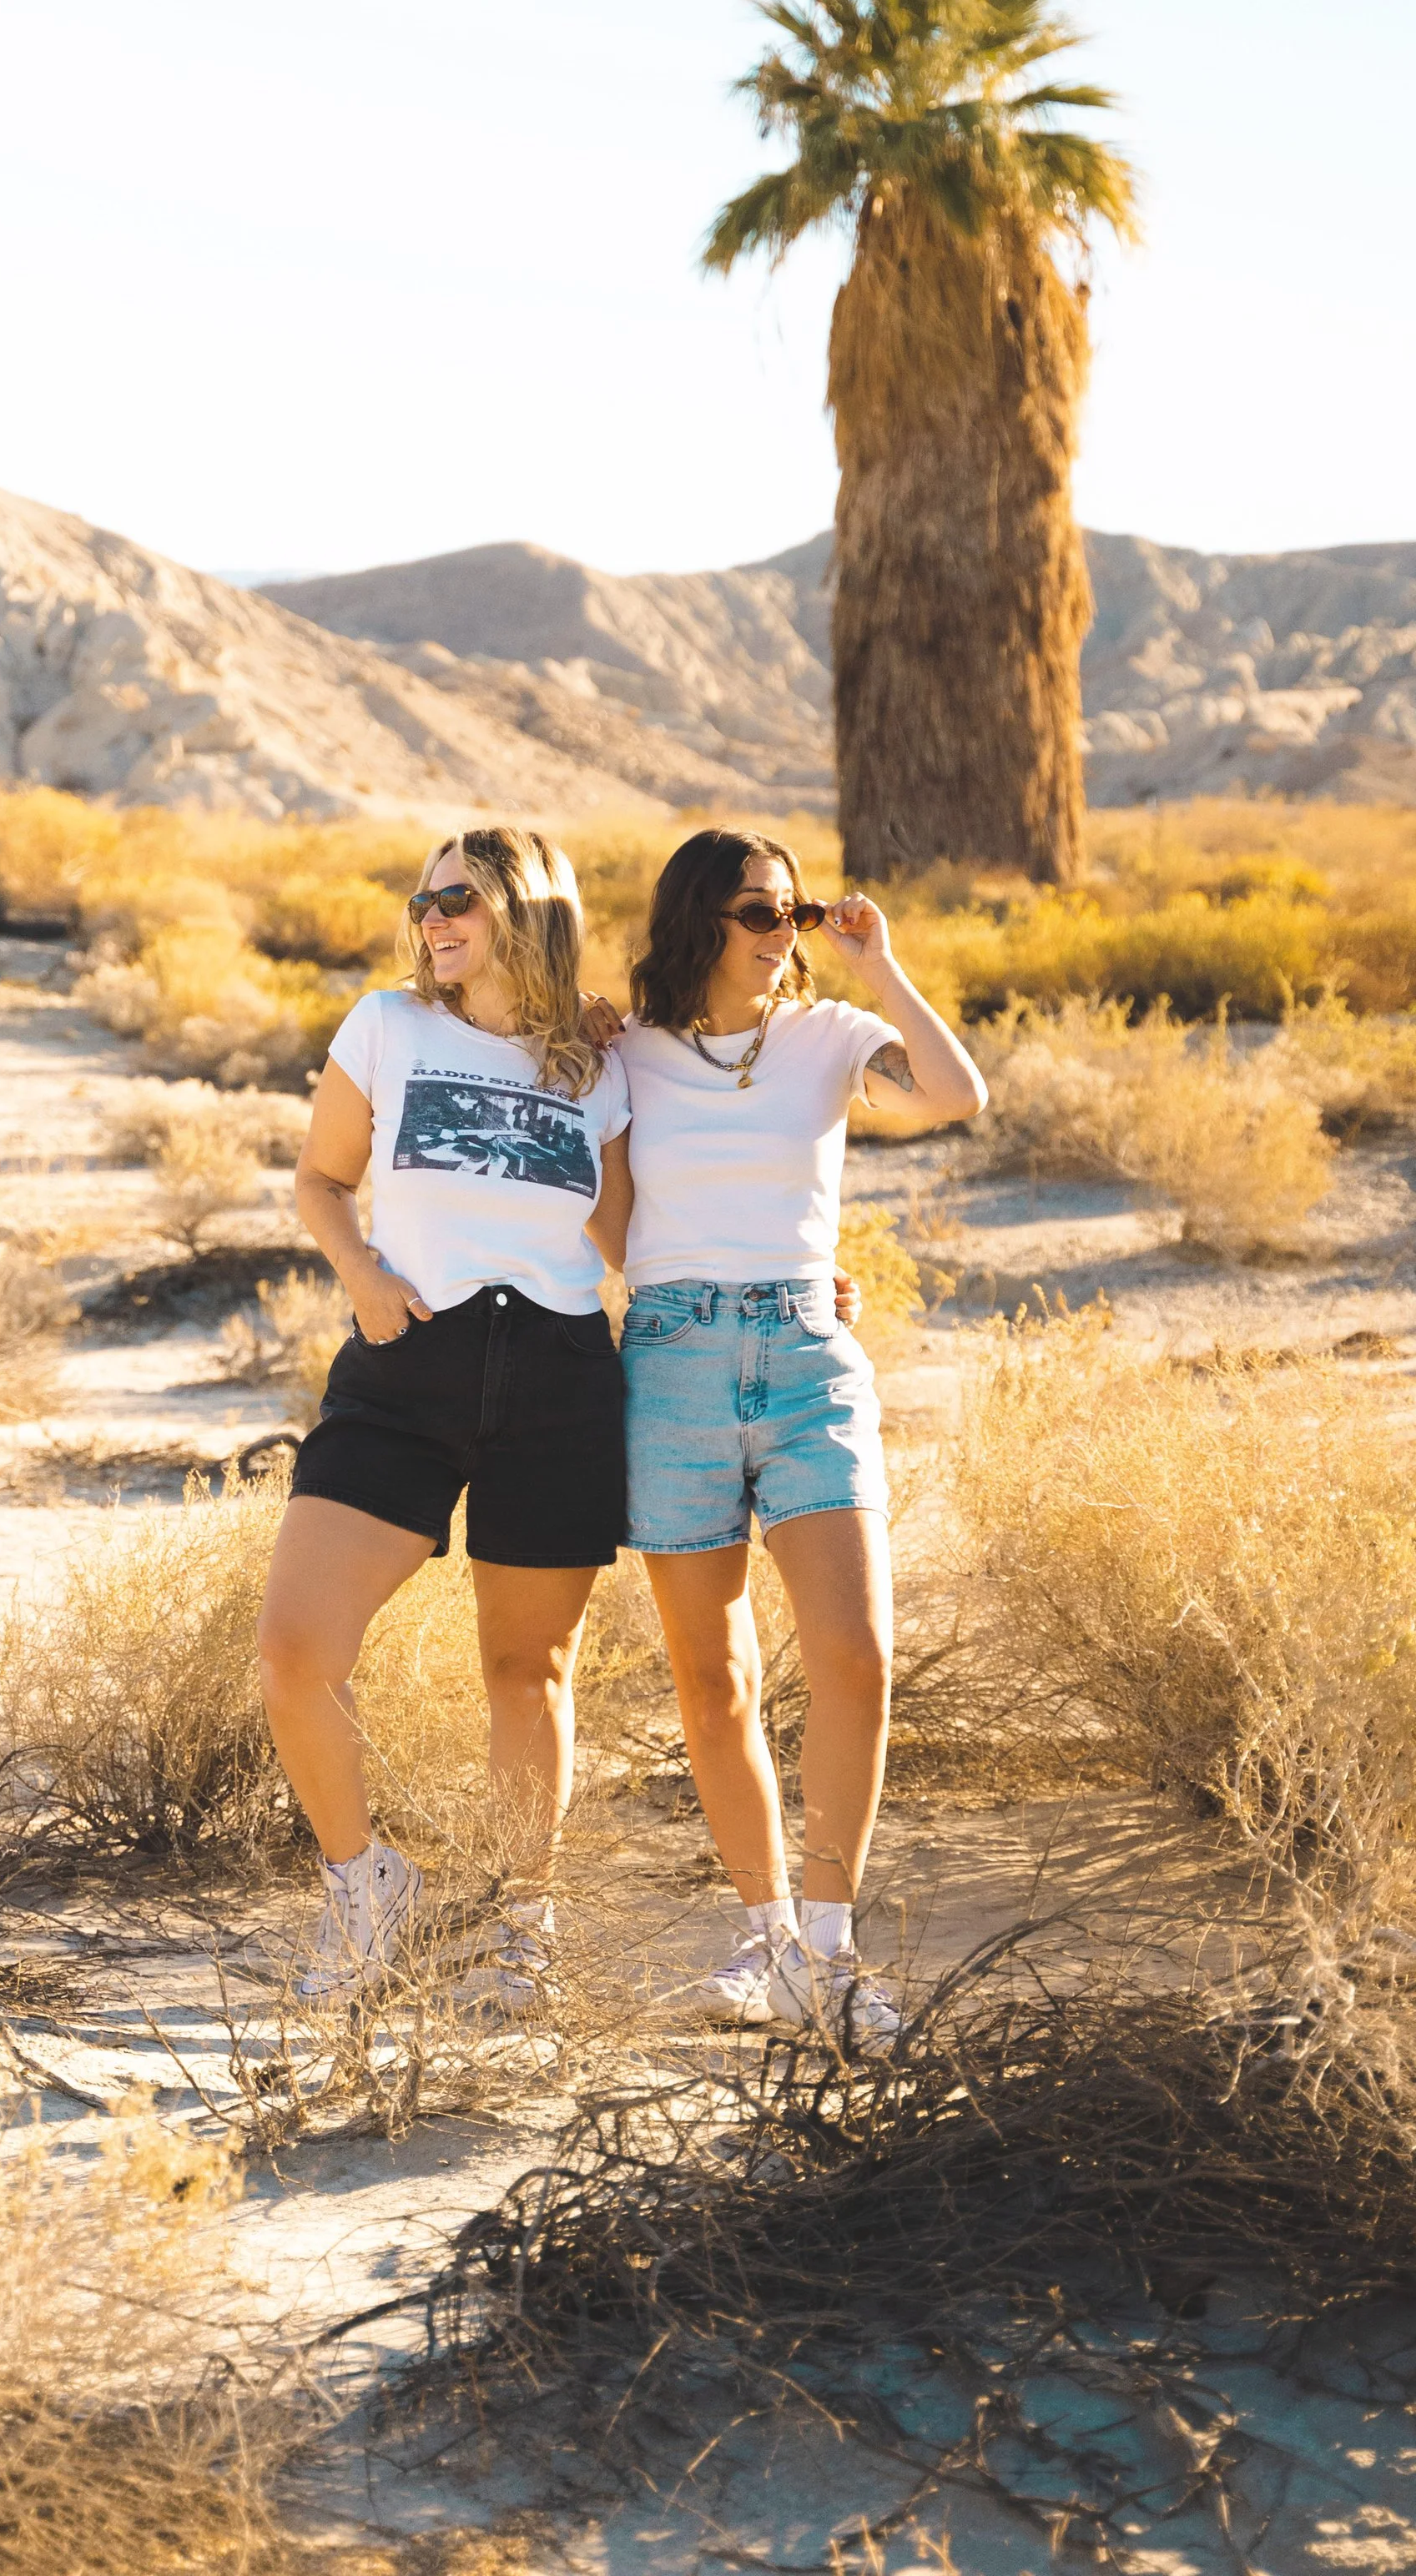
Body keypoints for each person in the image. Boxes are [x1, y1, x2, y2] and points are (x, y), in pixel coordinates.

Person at [617, 828, 988, 2046]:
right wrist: (686, 1286)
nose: (788, 931)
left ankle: (827, 1953)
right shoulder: (629, 1052)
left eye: (796, 910)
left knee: (857, 1657)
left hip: (808, 1363)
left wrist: (877, 964)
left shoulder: (829, 1040)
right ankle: (763, 1937)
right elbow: (601, 1210)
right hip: (672, 1361)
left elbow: (955, 1096)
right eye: (763, 913)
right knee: (713, 1679)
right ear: (700, 923)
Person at [256, 827, 633, 2011]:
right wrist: (361, 1274)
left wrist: (789, 1280)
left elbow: (631, 1240)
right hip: (406, 1362)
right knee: (295, 1651)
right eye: (420, 903)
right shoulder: (387, 1027)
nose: (431, 921)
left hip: (561, 1372)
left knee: (529, 1672)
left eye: (457, 898)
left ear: (526, 905)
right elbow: (319, 1181)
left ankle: (528, 1925)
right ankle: (367, 1888)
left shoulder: (603, 1062)